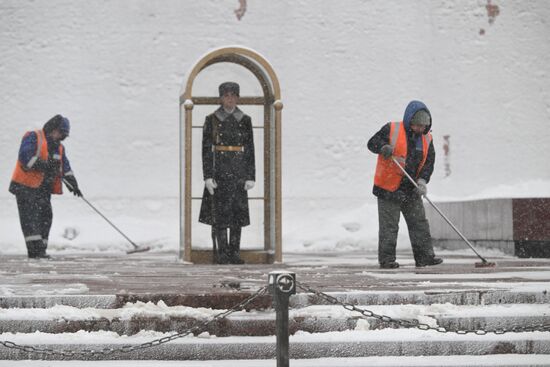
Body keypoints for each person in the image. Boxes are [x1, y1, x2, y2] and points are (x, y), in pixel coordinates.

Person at [367, 101, 443, 269]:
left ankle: (425, 257)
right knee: (389, 227)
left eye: (424, 126)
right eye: (417, 125)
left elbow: (428, 163)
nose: (420, 129)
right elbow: (371, 143)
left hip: (411, 189)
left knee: (419, 224)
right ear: (410, 121)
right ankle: (387, 260)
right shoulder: (392, 129)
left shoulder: (427, 139)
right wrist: (383, 147)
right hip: (388, 188)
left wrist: (422, 181)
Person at [9, 114, 82, 259]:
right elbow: (25, 158)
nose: (62, 137)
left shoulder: (59, 148)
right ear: (53, 129)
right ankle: (34, 252)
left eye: (64, 136)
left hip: (43, 189)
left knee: (45, 216)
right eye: (61, 133)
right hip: (25, 187)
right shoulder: (34, 137)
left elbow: (64, 167)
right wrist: (45, 165)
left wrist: (73, 183)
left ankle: (41, 250)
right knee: (30, 218)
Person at [199, 82, 255, 264]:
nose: (230, 99)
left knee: (237, 215)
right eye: (226, 95)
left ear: (237, 97)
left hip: (238, 171)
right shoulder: (212, 119)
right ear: (221, 98)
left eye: (233, 95)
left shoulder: (245, 120)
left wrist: (250, 176)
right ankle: (223, 253)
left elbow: (250, 150)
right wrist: (207, 176)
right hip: (220, 171)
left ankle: (234, 252)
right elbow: (206, 150)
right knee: (221, 215)